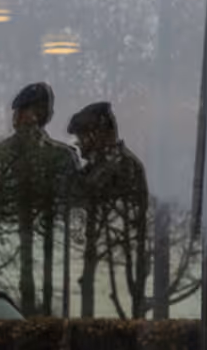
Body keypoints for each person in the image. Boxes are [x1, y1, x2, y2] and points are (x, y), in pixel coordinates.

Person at [0, 82, 78, 316]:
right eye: (19, 112)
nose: (19, 118)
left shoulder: (62, 158)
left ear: (41, 115)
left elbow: (71, 211)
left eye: (25, 112)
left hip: (50, 262)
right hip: (2, 264)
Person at [67, 101, 152, 319]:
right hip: (101, 282)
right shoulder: (99, 166)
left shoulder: (121, 167)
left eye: (83, 137)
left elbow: (85, 197)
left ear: (98, 134)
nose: (80, 145)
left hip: (113, 289)